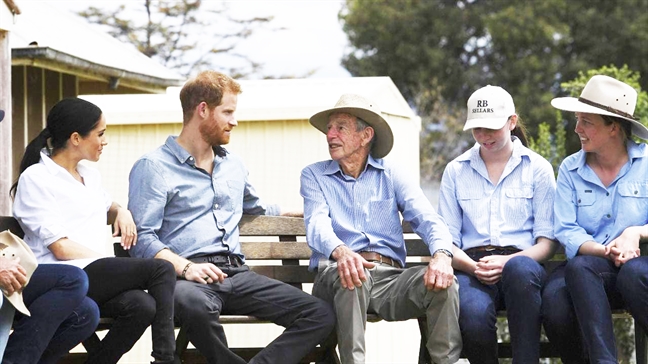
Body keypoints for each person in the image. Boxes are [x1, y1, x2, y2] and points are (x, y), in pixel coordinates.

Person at [127, 70, 335, 364]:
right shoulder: (153, 167)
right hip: (187, 280)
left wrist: (311, 209)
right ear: (203, 110)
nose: (234, 121)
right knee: (194, 305)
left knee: (320, 314)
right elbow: (142, 238)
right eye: (227, 112)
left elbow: (257, 208)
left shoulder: (232, 165)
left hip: (237, 275)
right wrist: (186, 267)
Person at [11, 98, 177, 364]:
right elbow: (60, 247)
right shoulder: (37, 178)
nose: (105, 141)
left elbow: (106, 205)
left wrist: (121, 211)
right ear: (76, 138)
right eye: (100, 134)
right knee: (161, 269)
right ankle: (166, 358)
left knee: (142, 306)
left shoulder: (89, 175)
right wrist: (108, 262)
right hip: (59, 276)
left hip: (93, 274)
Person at [301, 93, 462, 364]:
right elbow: (316, 224)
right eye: (329, 128)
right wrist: (342, 252)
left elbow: (428, 218)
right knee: (353, 274)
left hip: (389, 279)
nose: (330, 134)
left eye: (340, 127)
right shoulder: (314, 175)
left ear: (365, 136)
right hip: (337, 275)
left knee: (443, 284)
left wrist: (443, 256)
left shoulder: (392, 174)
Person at [437, 85, 557, 363]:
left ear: (512, 122)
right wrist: (473, 266)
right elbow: (446, 241)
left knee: (519, 270)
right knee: (474, 316)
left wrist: (507, 262)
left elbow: (547, 243)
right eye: (477, 128)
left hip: (523, 266)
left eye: (491, 127)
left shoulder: (538, 168)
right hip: (472, 266)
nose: (484, 136)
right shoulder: (456, 171)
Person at [541, 75, 648, 363]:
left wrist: (635, 233)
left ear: (613, 127)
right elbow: (566, 228)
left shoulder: (646, 163)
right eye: (577, 120)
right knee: (555, 300)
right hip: (588, 264)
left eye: (586, 121)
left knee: (634, 274)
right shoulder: (569, 169)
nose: (577, 129)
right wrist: (605, 250)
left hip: (635, 266)